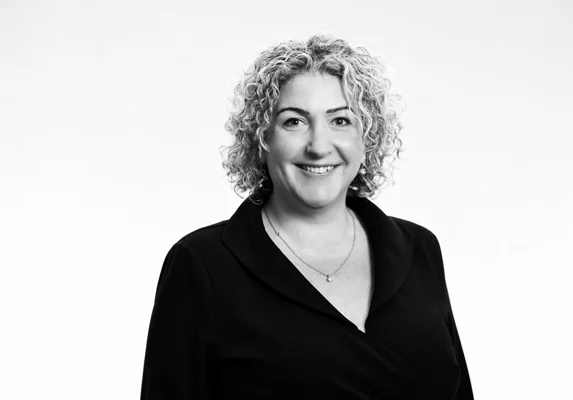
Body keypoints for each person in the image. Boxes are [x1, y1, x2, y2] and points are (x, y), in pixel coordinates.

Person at [140, 35, 474, 399]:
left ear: (367, 137)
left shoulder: (419, 249)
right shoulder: (202, 265)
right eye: (294, 122)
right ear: (261, 138)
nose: (318, 146)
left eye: (341, 120)